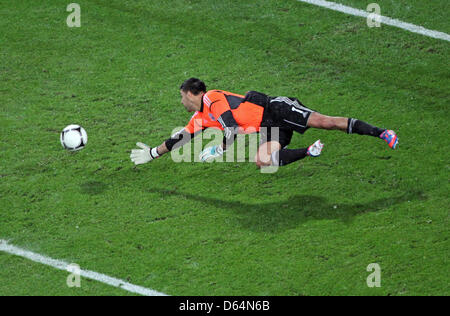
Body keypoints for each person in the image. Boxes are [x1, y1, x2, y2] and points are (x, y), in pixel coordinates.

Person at [130, 78, 398, 167]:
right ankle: (310, 151)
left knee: (326, 122)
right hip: (268, 127)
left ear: (193, 93)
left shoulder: (211, 98)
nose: (181, 102)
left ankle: (382, 132)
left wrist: (220, 150)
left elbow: (231, 126)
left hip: (275, 109)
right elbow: (179, 140)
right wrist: (152, 154)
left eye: (182, 97)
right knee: (263, 161)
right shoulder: (199, 118)